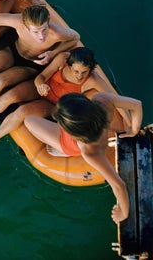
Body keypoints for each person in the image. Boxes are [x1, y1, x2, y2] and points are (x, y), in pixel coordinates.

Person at [0, 47, 128, 157]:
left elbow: (118, 101)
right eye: (76, 71)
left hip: (54, 105)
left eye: (84, 72)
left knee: (22, 112)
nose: (79, 76)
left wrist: (129, 129)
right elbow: (42, 76)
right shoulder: (61, 58)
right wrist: (40, 84)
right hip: (42, 88)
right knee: (9, 96)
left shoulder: (94, 79)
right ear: (68, 64)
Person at [24, 92, 143, 224]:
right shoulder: (102, 100)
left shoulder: (89, 152)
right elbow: (137, 105)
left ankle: (61, 150)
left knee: (29, 121)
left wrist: (124, 213)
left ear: (70, 132)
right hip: (93, 135)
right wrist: (133, 131)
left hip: (71, 145)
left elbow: (119, 185)